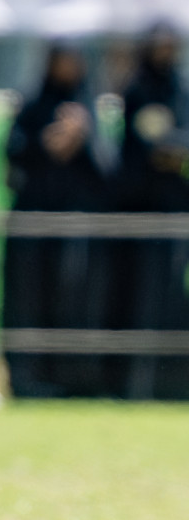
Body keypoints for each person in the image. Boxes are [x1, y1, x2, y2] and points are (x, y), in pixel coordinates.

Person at [2, 45, 110, 398]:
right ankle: (28, 378)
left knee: (75, 298)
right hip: (34, 226)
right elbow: (14, 158)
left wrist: (82, 135)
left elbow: (107, 172)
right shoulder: (33, 107)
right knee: (29, 299)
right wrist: (49, 142)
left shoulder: (88, 109)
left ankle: (75, 379)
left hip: (77, 228)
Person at [110, 24, 189, 400]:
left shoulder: (181, 91)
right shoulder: (137, 90)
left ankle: (173, 384)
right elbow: (133, 147)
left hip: (176, 211)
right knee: (137, 297)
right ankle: (135, 385)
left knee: (174, 296)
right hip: (138, 211)